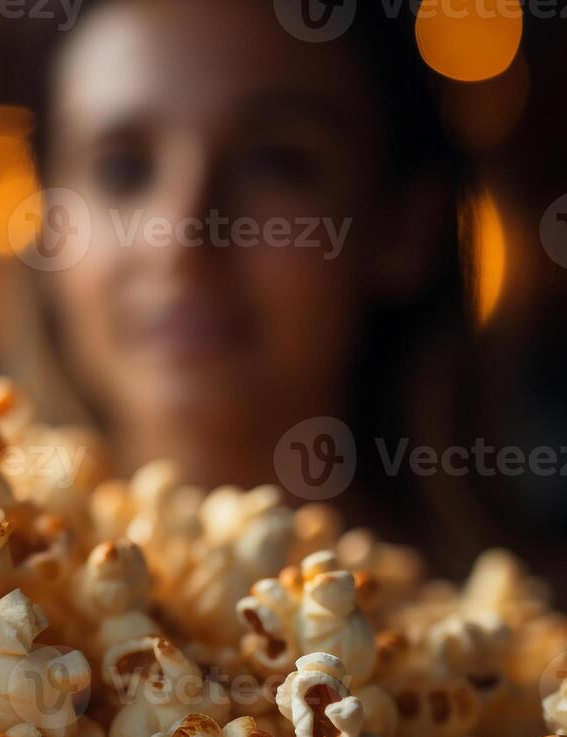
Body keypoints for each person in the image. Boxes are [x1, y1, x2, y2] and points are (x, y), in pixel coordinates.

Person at [24, 0, 486, 559]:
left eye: (273, 163)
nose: (180, 237)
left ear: (404, 227)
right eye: (121, 169)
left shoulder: (531, 637)